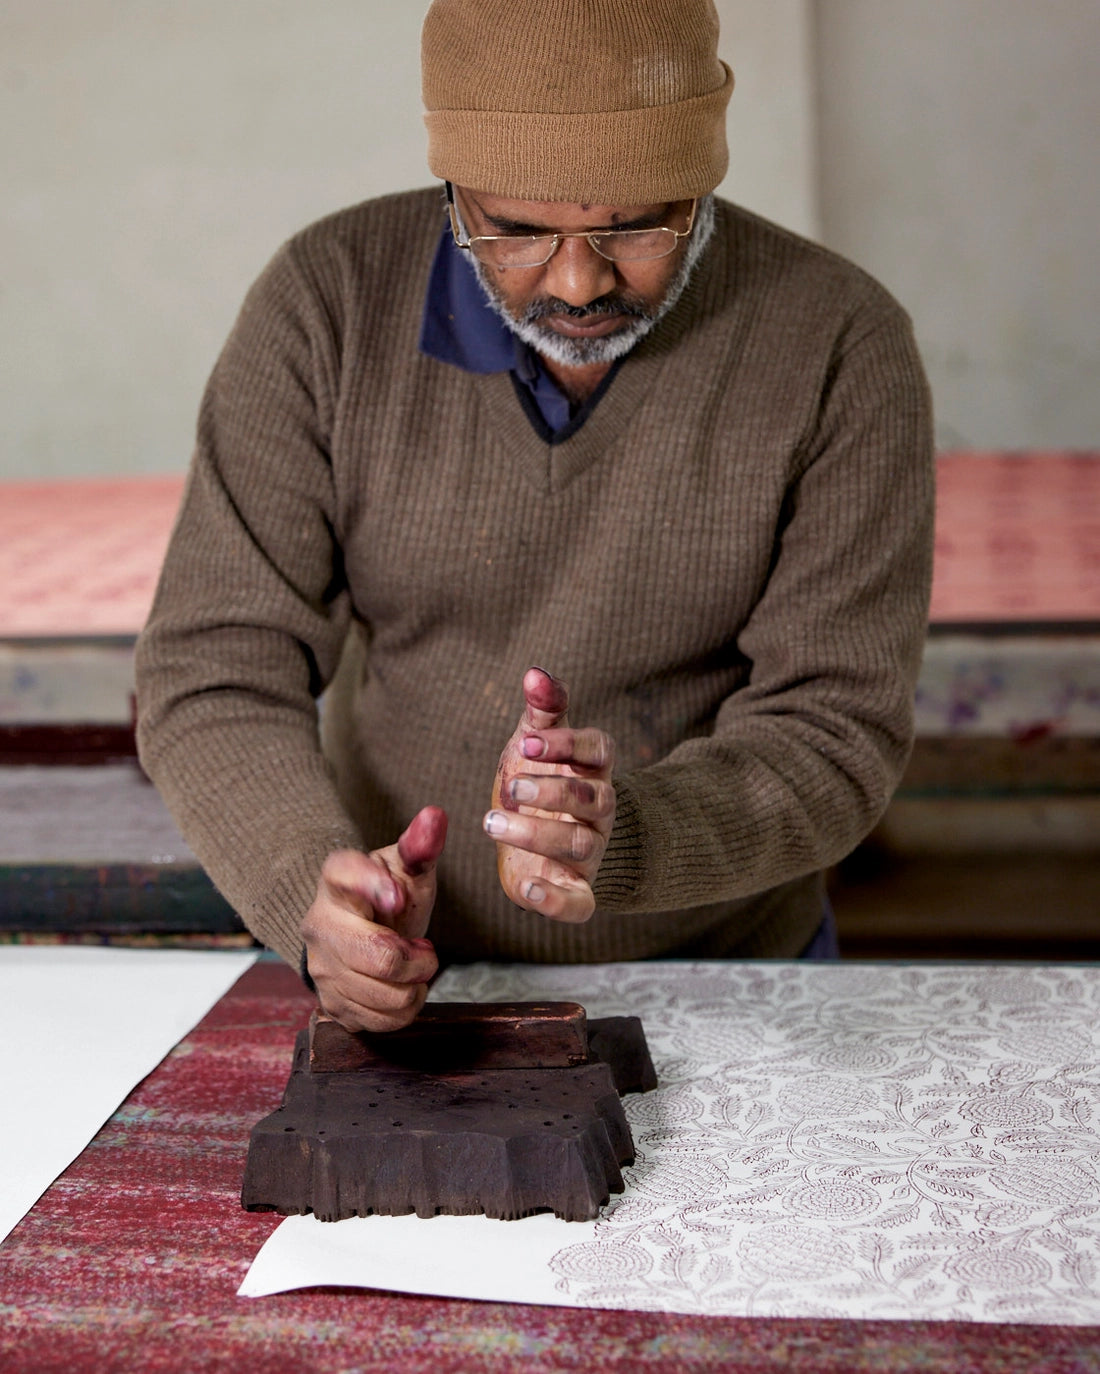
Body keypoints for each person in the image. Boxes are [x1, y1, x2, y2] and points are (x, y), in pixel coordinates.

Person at [135, 0, 934, 1033]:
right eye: (513, 230)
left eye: (638, 225)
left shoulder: (837, 342)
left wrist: (627, 831)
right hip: (405, 976)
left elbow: (836, 727)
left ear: (704, 184)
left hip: (724, 972)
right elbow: (212, 665)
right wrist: (311, 899)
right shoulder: (326, 306)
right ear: (451, 189)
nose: (576, 282)